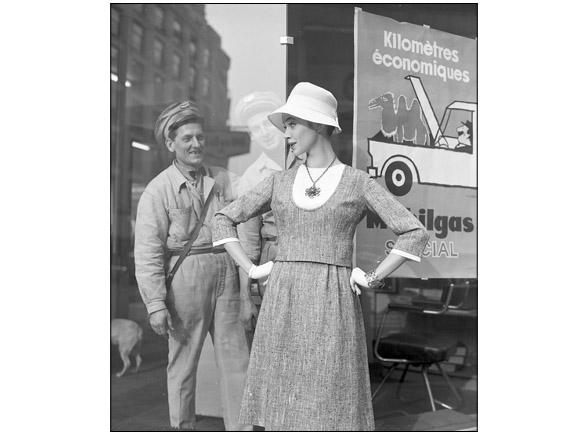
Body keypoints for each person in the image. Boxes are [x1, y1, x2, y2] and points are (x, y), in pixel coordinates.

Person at [212, 83, 430, 431]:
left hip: (333, 300)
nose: (286, 134)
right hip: (283, 298)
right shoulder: (278, 182)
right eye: (285, 126)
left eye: (292, 124)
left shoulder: (357, 182)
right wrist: (251, 268)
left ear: (316, 124)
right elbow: (223, 218)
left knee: (331, 394)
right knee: (281, 393)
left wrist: (373, 277)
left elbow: (414, 232)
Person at [134, 100, 252, 431]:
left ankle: (240, 429)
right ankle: (182, 427)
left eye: (200, 137)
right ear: (170, 144)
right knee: (183, 363)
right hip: (185, 276)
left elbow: (255, 202)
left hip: (225, 270)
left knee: (236, 359)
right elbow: (147, 252)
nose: (196, 144)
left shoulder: (224, 179)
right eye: (187, 139)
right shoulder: (158, 191)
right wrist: (156, 304)